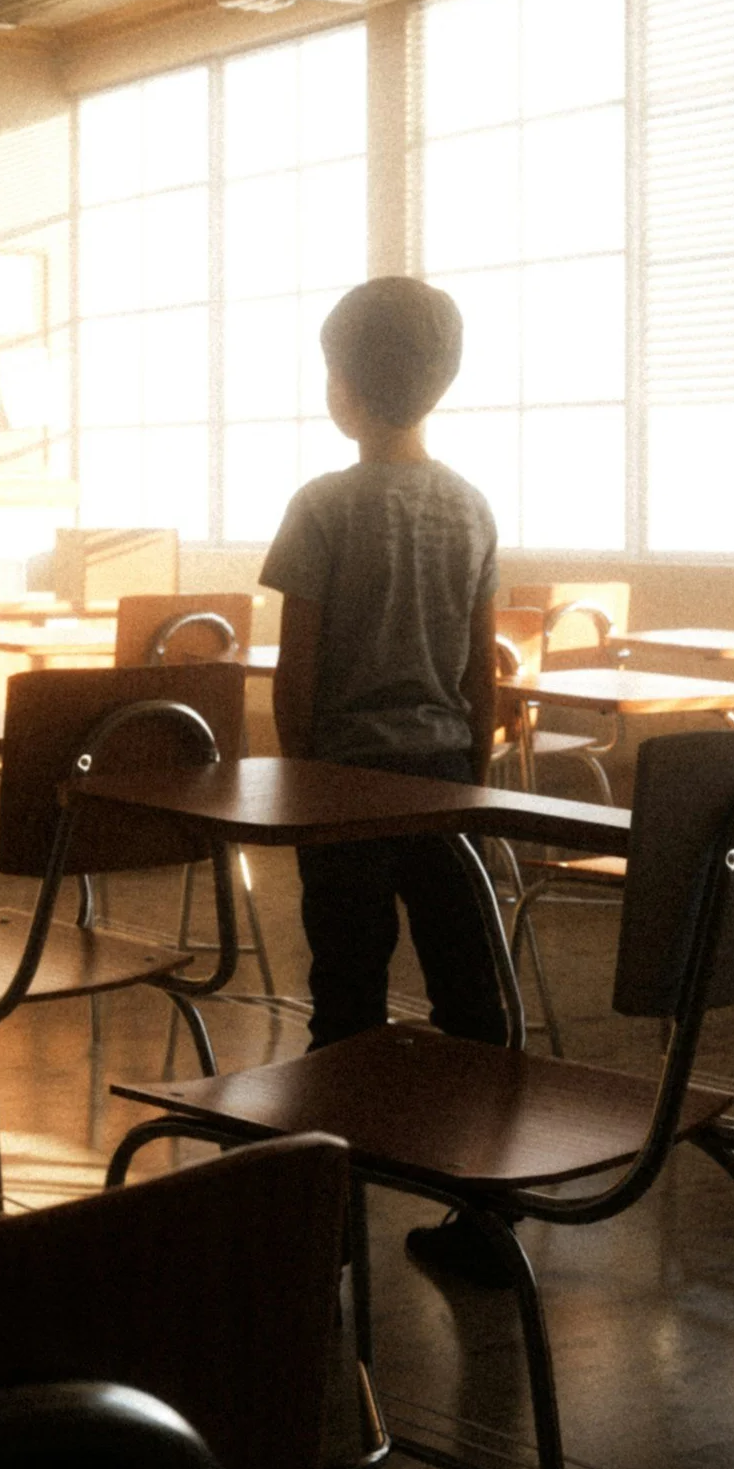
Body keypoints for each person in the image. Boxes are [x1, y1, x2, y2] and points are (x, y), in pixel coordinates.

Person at [260, 275, 509, 1284]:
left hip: (342, 782)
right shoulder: (470, 505)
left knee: (345, 994)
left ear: (339, 388)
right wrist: (470, 775)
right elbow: (477, 669)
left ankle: (329, 1219)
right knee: (470, 997)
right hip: (444, 775)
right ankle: (485, 1217)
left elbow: (297, 674)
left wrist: (296, 782)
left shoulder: (320, 506)